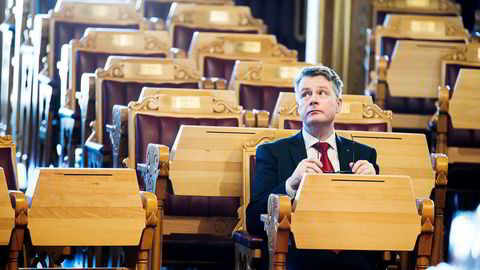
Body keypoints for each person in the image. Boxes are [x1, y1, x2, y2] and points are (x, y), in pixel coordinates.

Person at [246, 66, 380, 270]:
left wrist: (374, 185)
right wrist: (290, 184)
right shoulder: (272, 153)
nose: (313, 99)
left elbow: (379, 219)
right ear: (298, 105)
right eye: (305, 94)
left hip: (351, 253)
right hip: (296, 252)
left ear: (339, 104)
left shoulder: (364, 155)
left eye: (322, 93)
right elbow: (254, 220)